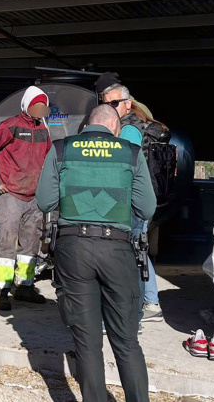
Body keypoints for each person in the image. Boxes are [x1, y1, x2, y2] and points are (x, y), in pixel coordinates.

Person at [35, 104, 156, 402]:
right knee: (126, 342)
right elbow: (147, 208)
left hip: (73, 250)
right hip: (117, 250)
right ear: (114, 126)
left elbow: (45, 201)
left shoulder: (61, 149)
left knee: (87, 343)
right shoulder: (129, 152)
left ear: (88, 125)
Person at [0, 85, 52, 310]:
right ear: (27, 105)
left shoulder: (44, 129)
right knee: (6, 245)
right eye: (36, 105)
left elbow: (49, 160)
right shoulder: (9, 126)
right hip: (11, 195)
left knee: (30, 245)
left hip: (35, 198)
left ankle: (24, 287)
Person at [101, 83, 164, 323]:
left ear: (128, 104)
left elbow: (123, 169)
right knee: (139, 251)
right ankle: (151, 302)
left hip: (131, 203)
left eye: (114, 103)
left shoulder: (128, 130)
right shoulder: (136, 126)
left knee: (133, 253)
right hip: (138, 201)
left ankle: (139, 308)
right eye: (106, 104)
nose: (111, 108)